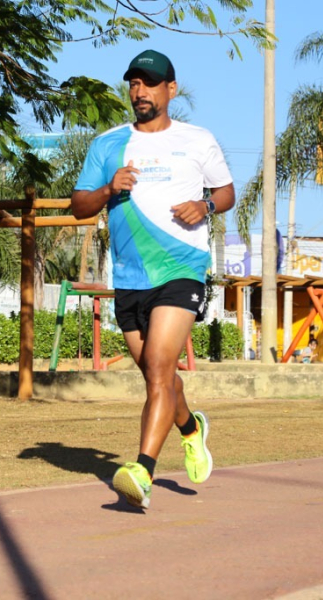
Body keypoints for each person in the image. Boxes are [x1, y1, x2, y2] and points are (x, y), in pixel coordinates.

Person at [71, 49, 235, 509]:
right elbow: (79, 205)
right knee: (156, 377)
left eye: (149, 83)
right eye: (133, 83)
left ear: (171, 89)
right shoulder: (108, 145)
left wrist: (203, 206)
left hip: (182, 267)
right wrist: (109, 189)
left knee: (161, 369)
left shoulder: (197, 140)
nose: (139, 91)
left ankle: (141, 469)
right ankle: (191, 428)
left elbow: (226, 193)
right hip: (129, 276)